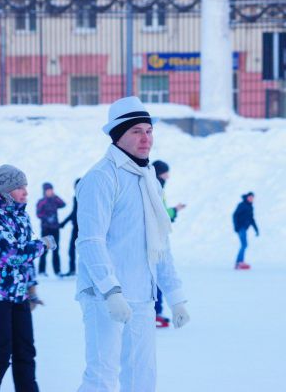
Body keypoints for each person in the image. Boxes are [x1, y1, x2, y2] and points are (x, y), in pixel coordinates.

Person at [75, 96, 189, 392]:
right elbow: (90, 240)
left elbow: (159, 241)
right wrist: (111, 290)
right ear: (118, 135)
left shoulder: (148, 176)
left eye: (149, 131)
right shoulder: (100, 177)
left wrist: (175, 294)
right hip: (105, 295)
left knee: (142, 376)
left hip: (142, 293)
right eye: (136, 131)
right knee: (101, 375)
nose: (146, 138)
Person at [0, 165, 56, 392]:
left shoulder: (20, 216)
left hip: (16, 294)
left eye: (25, 186)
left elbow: (25, 260)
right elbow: (13, 255)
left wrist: (31, 290)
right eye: (19, 187)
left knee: (25, 351)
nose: (25, 192)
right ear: (5, 190)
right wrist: (43, 245)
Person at [152, 160, 186, 328]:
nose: (168, 176)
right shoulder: (155, 186)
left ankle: (155, 310)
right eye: (166, 172)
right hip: (155, 238)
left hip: (157, 235)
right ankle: (154, 311)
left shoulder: (157, 185)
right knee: (158, 274)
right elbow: (161, 213)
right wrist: (175, 210)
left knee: (156, 275)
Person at [36, 182, 66, 276]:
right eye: (48, 190)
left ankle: (57, 271)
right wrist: (47, 218)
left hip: (55, 229)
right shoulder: (41, 201)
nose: (50, 191)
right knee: (44, 249)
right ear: (44, 191)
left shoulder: (55, 200)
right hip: (46, 229)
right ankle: (41, 271)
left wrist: (55, 196)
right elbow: (38, 214)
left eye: (51, 190)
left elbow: (63, 204)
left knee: (56, 250)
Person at [232, 192, 259, 270]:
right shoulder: (242, 205)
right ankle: (239, 262)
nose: (251, 199)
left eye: (252, 198)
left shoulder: (250, 207)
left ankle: (239, 262)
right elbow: (234, 215)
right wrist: (236, 226)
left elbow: (251, 219)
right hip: (241, 227)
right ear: (247, 197)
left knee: (244, 245)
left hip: (244, 228)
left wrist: (256, 229)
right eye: (250, 197)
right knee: (244, 244)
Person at [60, 178, 81, 277]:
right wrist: (64, 222)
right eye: (75, 186)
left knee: (85, 249)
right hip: (75, 227)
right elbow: (74, 212)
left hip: (84, 228)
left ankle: (89, 272)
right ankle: (72, 270)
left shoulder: (88, 196)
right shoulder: (75, 197)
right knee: (71, 249)